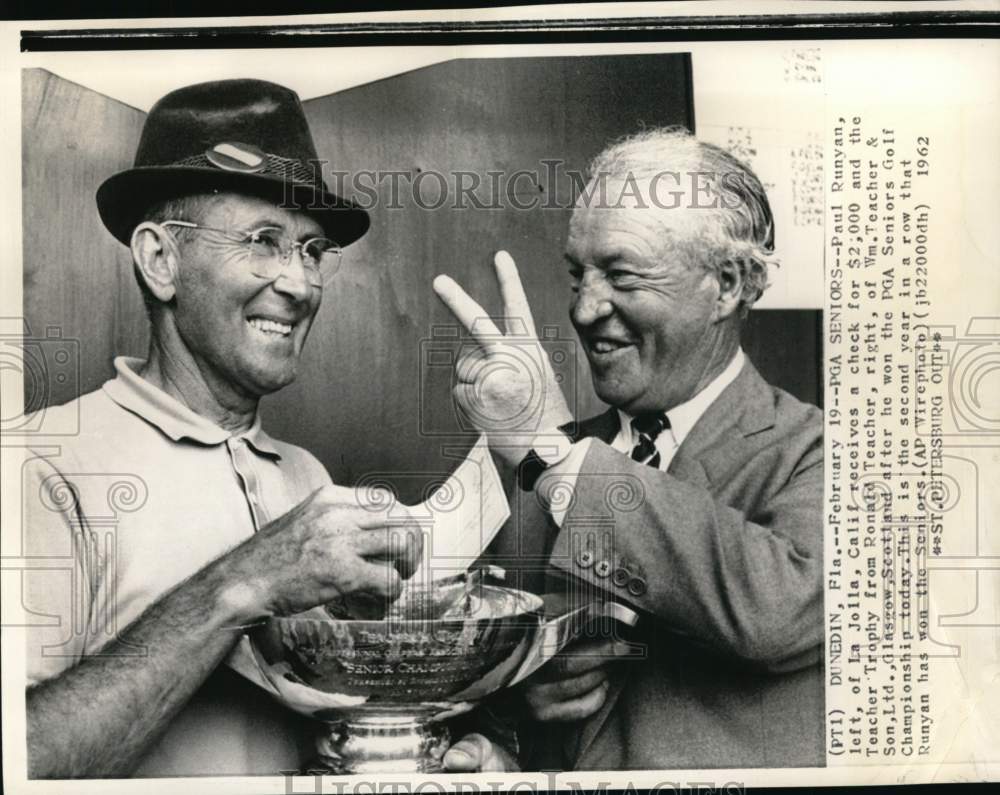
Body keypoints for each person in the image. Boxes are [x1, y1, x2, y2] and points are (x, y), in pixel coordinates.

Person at [21, 79, 500, 778]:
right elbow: (20, 756)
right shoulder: (42, 464)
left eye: (310, 251)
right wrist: (243, 582)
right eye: (263, 241)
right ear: (161, 261)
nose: (301, 285)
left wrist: (465, 750)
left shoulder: (306, 477)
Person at [433, 127, 824, 770]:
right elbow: (476, 668)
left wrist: (551, 456)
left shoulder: (822, 452)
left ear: (725, 285)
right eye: (577, 274)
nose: (585, 310)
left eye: (621, 274)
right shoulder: (547, 456)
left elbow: (775, 611)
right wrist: (506, 735)